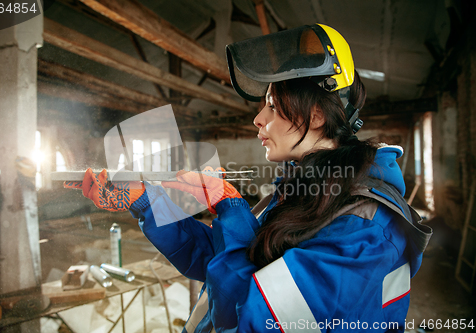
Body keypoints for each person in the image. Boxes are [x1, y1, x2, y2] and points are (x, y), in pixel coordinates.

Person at [66, 24, 432, 332]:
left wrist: (230, 206)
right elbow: (219, 258)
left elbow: (250, 311)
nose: (258, 119)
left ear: (317, 114)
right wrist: (146, 200)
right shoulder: (305, 192)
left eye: (272, 106)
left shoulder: (364, 232)